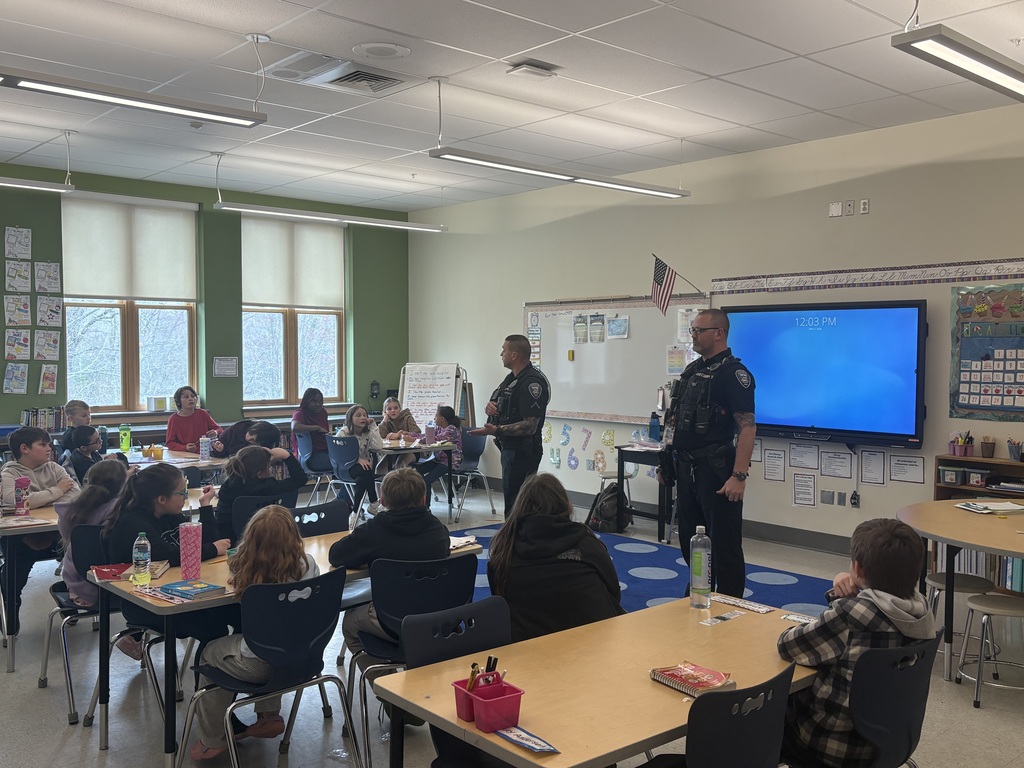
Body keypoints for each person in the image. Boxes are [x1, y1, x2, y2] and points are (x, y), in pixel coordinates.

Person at [777, 518, 935, 768]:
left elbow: (788, 645)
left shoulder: (853, 614)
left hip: (834, 745)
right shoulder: (922, 610)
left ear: (858, 569)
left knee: (767, 712)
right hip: (889, 740)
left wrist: (843, 593)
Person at [187, 505, 320, 761]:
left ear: (251, 538)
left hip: (259, 665)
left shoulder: (248, 572)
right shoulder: (309, 563)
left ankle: (213, 739)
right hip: (304, 658)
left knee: (210, 651)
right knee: (279, 643)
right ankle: (269, 714)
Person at [663, 308, 755, 598]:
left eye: (698, 330)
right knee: (691, 539)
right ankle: (699, 591)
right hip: (686, 469)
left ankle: (729, 602)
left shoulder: (734, 374)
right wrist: (666, 461)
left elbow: (748, 428)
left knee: (724, 544)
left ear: (719, 333)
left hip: (716, 470)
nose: (693, 335)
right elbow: (674, 419)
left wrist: (738, 476)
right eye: (692, 330)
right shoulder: (692, 371)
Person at [104, 463, 235, 651]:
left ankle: (235, 670)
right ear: (162, 499)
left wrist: (205, 506)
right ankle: (209, 677)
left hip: (180, 591)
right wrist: (212, 549)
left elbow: (202, 542)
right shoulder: (133, 523)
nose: (185, 497)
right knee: (213, 628)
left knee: (240, 613)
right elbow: (166, 554)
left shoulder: (171, 515)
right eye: (182, 493)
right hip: (144, 602)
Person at [488, 473, 624, 642]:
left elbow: (500, 599)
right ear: (565, 505)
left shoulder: (504, 546)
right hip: (593, 644)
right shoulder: (585, 542)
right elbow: (614, 592)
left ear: (520, 506)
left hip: (529, 649)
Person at [329, 468, 449, 657]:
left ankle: (382, 682)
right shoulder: (438, 530)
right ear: (424, 499)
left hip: (393, 620)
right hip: (440, 615)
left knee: (350, 623)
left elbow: (336, 555)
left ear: (383, 501)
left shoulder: (373, 530)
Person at [0, 426, 81, 634]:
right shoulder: (9, 472)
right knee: (14, 571)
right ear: (24, 448)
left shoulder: (54, 468)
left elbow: (75, 496)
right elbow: (16, 502)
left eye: (49, 444)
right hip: (23, 538)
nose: (49, 449)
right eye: (42, 445)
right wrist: (56, 491)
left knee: (81, 555)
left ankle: (68, 594)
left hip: (57, 534)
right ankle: (11, 607)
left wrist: (38, 500)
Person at [471, 334, 550, 517]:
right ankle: (512, 536)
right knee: (511, 500)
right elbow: (500, 404)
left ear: (514, 355)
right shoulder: (511, 379)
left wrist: (497, 430)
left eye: (504, 350)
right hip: (509, 449)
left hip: (523, 451)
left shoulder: (532, 383)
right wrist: (490, 407)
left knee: (520, 503)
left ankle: (516, 539)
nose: (501, 354)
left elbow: (531, 425)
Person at [55, 460, 128, 608]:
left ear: (88, 480)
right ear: (123, 484)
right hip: (121, 589)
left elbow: (67, 536)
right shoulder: (121, 510)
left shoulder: (71, 509)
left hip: (78, 585)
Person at [215, 445, 308, 541]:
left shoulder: (227, 487)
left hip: (231, 541)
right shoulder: (270, 486)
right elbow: (300, 479)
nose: (271, 469)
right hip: (270, 537)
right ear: (260, 474)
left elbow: (219, 518)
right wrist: (287, 456)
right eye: (270, 466)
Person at [338, 403, 384, 516]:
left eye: (365, 415)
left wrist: (374, 426)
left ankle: (355, 513)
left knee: (361, 480)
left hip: (363, 469)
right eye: (358, 415)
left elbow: (378, 447)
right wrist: (357, 460)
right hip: (346, 468)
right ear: (350, 418)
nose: (363, 417)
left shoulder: (368, 432)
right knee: (367, 470)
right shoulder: (344, 432)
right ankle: (373, 502)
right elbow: (339, 454)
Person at [414, 405, 463, 506]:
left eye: (436, 415)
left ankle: (425, 508)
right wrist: (408, 435)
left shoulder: (452, 430)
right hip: (438, 460)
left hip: (450, 461)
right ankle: (416, 504)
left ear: (442, 418)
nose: (434, 418)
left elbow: (434, 439)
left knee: (426, 481)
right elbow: (424, 436)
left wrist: (414, 440)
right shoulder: (439, 428)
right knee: (415, 472)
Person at [166, 386, 222, 453]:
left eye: (193, 396)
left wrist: (215, 432)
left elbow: (219, 429)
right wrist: (185, 447)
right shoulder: (174, 419)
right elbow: (170, 443)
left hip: (205, 453)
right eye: (186, 397)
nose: (190, 399)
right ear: (178, 401)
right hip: (185, 455)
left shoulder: (203, 413)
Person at [290, 387, 331, 472]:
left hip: (325, 450)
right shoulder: (300, 413)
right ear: (307, 401)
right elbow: (295, 427)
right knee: (346, 461)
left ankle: (343, 485)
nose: (318, 404)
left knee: (348, 456)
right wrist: (316, 428)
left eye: (320, 401)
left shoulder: (323, 412)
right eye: (314, 401)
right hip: (312, 455)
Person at [377, 396, 421, 468]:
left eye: (396, 408)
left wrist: (400, 434)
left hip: (411, 451)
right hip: (394, 452)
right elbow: (382, 435)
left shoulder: (407, 418)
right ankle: (386, 479)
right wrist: (384, 419)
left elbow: (417, 433)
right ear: (385, 412)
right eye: (389, 409)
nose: (393, 411)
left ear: (400, 409)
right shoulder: (387, 421)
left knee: (399, 466)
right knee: (380, 468)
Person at [211, 419, 280, 458]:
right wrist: (219, 450)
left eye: (253, 440)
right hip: (231, 467)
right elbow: (215, 454)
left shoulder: (267, 444)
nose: (248, 438)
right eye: (250, 433)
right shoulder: (234, 430)